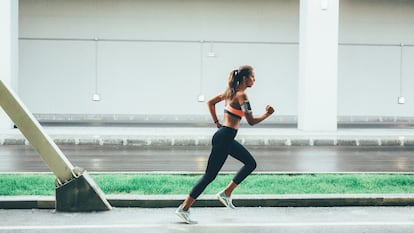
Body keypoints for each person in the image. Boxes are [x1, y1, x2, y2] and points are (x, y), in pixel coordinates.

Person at [175, 65, 275, 224]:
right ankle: (184, 208)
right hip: (224, 138)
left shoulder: (230, 93)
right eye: (252, 77)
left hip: (224, 137)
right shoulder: (242, 96)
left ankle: (226, 193)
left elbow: (210, 103)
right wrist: (267, 114)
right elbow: (251, 121)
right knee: (209, 175)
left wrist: (217, 122)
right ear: (244, 78)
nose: (254, 80)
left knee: (250, 163)